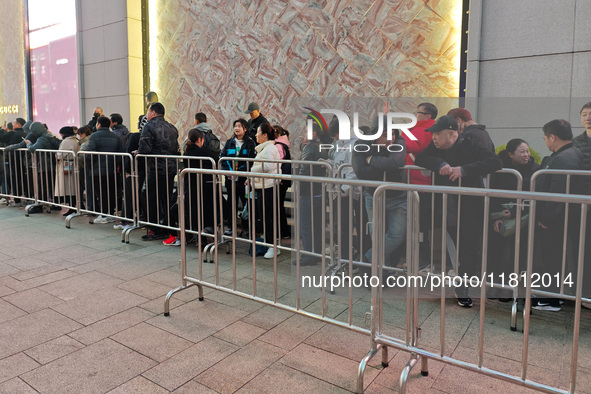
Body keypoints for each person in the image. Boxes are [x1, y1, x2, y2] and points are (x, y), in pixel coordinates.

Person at [416, 115, 502, 308]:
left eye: (438, 134)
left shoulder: (472, 144)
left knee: (468, 249)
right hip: (444, 207)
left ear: (453, 133)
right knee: (455, 245)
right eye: (433, 134)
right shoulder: (436, 148)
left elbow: (495, 162)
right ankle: (461, 280)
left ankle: (463, 286)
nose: (434, 138)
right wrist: (440, 165)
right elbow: (421, 157)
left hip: (470, 207)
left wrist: (465, 170)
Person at [532, 119, 584, 311]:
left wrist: (546, 219)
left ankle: (552, 299)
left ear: (552, 137)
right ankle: (557, 294)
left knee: (552, 257)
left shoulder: (564, 158)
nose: (545, 142)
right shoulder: (569, 153)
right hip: (561, 217)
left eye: (545, 138)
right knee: (556, 257)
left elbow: (558, 191)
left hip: (555, 219)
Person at [352, 115, 407, 270]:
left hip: (398, 196)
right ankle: (381, 272)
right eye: (385, 135)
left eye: (393, 134)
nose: (391, 138)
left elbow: (395, 162)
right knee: (376, 235)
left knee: (397, 235)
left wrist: (371, 160)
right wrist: (388, 170)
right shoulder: (361, 143)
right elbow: (361, 173)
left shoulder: (399, 142)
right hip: (373, 196)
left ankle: (367, 259)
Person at [488, 139, 540, 296]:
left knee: (519, 252)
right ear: (510, 154)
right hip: (501, 216)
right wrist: (496, 217)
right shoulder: (499, 169)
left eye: (527, 151)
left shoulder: (536, 170)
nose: (526, 155)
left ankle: (512, 286)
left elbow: (534, 196)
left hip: (524, 217)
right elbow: (493, 194)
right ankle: (494, 283)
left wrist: (517, 212)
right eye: (522, 151)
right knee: (495, 250)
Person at [163, 128, 218, 246]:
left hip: (191, 188)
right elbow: (216, 162)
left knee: (194, 213)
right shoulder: (206, 153)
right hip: (206, 188)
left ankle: (198, 239)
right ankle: (205, 237)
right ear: (200, 140)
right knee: (206, 212)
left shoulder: (187, 153)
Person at [136, 102, 179, 240]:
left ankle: (155, 229)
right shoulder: (172, 127)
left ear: (153, 112)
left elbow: (145, 148)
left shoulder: (149, 126)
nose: (147, 114)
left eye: (148, 111)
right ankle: (168, 227)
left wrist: (138, 153)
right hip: (171, 168)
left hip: (155, 168)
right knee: (166, 197)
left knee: (149, 197)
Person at [295, 120, 332, 266]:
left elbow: (304, 169)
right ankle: (316, 253)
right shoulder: (323, 146)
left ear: (314, 132)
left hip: (308, 191)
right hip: (319, 190)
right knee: (317, 225)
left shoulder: (310, 147)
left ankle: (309, 255)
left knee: (306, 225)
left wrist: (300, 190)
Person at [249, 122, 281, 258]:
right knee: (265, 217)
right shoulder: (265, 148)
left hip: (268, 187)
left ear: (265, 135)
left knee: (269, 218)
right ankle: (270, 244)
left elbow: (267, 166)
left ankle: (273, 247)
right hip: (263, 186)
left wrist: (252, 170)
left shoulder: (269, 149)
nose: (256, 135)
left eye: (258, 132)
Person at [220, 119, 257, 236]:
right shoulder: (229, 142)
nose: (237, 128)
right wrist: (228, 172)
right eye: (235, 126)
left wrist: (240, 173)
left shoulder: (250, 143)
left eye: (239, 126)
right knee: (232, 204)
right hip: (231, 180)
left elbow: (252, 161)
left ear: (245, 129)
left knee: (247, 204)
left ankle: (247, 228)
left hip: (244, 180)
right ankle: (231, 227)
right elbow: (223, 158)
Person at [85, 116, 124, 223]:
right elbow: (121, 153)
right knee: (110, 192)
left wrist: (89, 166)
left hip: (97, 171)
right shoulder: (115, 137)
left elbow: (90, 153)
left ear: (99, 124)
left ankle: (103, 215)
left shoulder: (94, 136)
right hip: (112, 171)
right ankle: (110, 214)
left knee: (100, 193)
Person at [54, 127, 80, 215]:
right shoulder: (75, 140)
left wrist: (56, 155)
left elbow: (61, 154)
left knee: (68, 188)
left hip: (66, 165)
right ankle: (75, 206)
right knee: (73, 187)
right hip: (74, 165)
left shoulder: (66, 141)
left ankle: (72, 207)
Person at [273, 125, 291, 239]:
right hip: (282, 180)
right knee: (279, 205)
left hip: (279, 180)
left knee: (277, 206)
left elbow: (277, 163)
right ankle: (283, 232)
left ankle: (282, 232)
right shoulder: (283, 144)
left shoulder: (278, 145)